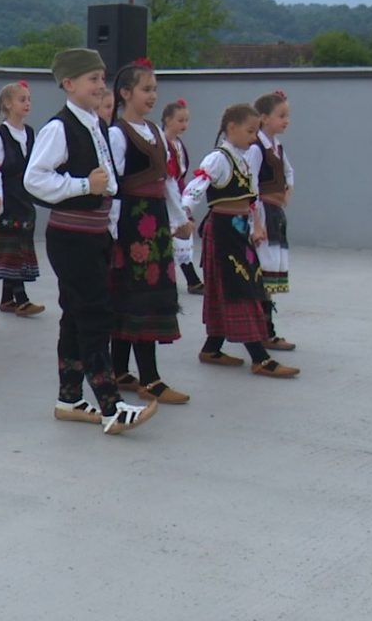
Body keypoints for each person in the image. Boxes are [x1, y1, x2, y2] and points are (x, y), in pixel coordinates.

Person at [24, 48, 158, 435]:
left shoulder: (95, 124)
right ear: (69, 84)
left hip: (94, 233)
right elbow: (34, 179)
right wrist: (84, 185)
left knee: (76, 314)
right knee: (95, 315)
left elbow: (107, 179)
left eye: (102, 78)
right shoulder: (59, 128)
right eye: (93, 79)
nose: (102, 86)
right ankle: (111, 405)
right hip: (71, 235)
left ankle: (69, 398)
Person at [182, 103, 300, 378]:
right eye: (249, 131)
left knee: (241, 286)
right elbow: (195, 188)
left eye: (255, 131)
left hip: (239, 231)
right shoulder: (218, 159)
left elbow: (252, 197)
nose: (252, 137)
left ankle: (212, 347)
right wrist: (184, 213)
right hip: (222, 232)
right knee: (239, 288)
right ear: (231, 128)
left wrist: (256, 225)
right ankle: (259, 357)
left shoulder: (244, 158)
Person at [106, 59, 191, 405]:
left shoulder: (156, 132)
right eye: (146, 89)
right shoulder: (117, 133)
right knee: (135, 297)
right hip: (131, 223)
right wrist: (110, 234)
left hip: (154, 223)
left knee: (141, 296)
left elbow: (166, 180)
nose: (152, 95)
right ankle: (150, 379)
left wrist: (178, 217)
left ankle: (120, 369)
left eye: (154, 89)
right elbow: (113, 186)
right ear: (125, 93)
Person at [0, 80, 45, 316]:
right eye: (22, 99)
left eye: (29, 99)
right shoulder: (1, 135)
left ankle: (7, 298)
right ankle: (21, 298)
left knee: (20, 243)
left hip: (24, 197)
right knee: (14, 247)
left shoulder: (31, 133)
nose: (27, 103)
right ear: (8, 104)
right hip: (8, 198)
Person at [250, 91, 295, 352]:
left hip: (275, 212)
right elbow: (252, 185)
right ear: (264, 118)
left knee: (269, 274)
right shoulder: (257, 148)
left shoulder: (276, 146)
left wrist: (287, 189)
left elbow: (289, 171)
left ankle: (266, 328)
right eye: (281, 116)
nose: (286, 120)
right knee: (262, 273)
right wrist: (257, 222)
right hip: (263, 214)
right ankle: (263, 330)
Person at [161, 99, 204, 294]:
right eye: (180, 120)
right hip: (166, 196)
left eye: (186, 120)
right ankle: (188, 279)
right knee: (173, 237)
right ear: (168, 120)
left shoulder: (178, 144)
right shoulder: (162, 143)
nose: (184, 125)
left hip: (178, 193)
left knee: (181, 238)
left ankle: (189, 278)